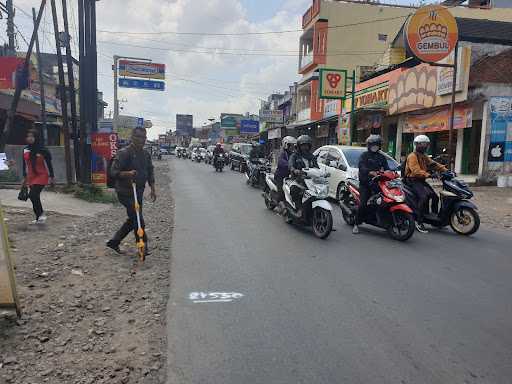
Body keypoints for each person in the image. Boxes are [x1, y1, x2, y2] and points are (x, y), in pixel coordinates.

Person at [107, 127, 156, 255]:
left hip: (138, 191)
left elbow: (150, 170)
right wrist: (127, 174)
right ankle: (142, 247)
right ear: (132, 137)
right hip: (125, 192)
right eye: (138, 137)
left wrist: (153, 188)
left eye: (144, 137)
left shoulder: (145, 154)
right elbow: (113, 172)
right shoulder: (124, 153)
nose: (141, 140)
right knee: (138, 219)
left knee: (133, 219)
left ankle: (114, 242)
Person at [404, 134, 447, 233]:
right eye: (423, 144)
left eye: (426, 144)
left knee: (435, 197)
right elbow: (415, 171)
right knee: (423, 197)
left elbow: (435, 164)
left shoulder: (424, 156)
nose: (425, 146)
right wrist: (428, 175)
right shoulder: (412, 156)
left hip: (421, 180)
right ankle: (418, 221)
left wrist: (446, 170)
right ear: (417, 145)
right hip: (412, 180)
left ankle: (434, 220)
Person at [353, 134, 389, 235]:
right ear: (369, 145)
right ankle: (356, 224)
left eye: (377, 144)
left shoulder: (381, 157)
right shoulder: (364, 156)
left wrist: (391, 172)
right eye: (373, 144)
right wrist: (369, 172)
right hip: (366, 183)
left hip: (378, 183)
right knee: (363, 204)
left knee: (384, 200)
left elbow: (387, 167)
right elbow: (361, 167)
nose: (375, 146)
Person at [22, 129, 54, 224]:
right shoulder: (25, 149)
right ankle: (38, 217)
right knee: (35, 197)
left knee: (32, 195)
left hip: (42, 175)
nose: (30, 138)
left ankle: (41, 215)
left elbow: (49, 164)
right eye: (28, 136)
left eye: (32, 136)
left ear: (36, 137)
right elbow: (24, 164)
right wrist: (24, 177)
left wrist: (52, 176)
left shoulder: (43, 149)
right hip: (31, 176)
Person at [288, 135, 318, 209]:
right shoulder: (294, 156)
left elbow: (317, 167)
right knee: (294, 190)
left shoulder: (312, 157)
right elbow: (290, 165)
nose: (305, 147)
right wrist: (294, 170)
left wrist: (322, 173)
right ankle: (298, 208)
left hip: (311, 180)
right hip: (298, 180)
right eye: (303, 146)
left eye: (307, 145)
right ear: (299, 146)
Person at [274, 136, 297, 204]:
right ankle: (278, 203)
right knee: (281, 193)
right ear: (286, 145)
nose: (292, 147)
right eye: (291, 145)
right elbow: (280, 161)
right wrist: (290, 165)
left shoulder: (293, 154)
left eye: (293, 145)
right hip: (280, 175)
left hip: (290, 175)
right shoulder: (282, 153)